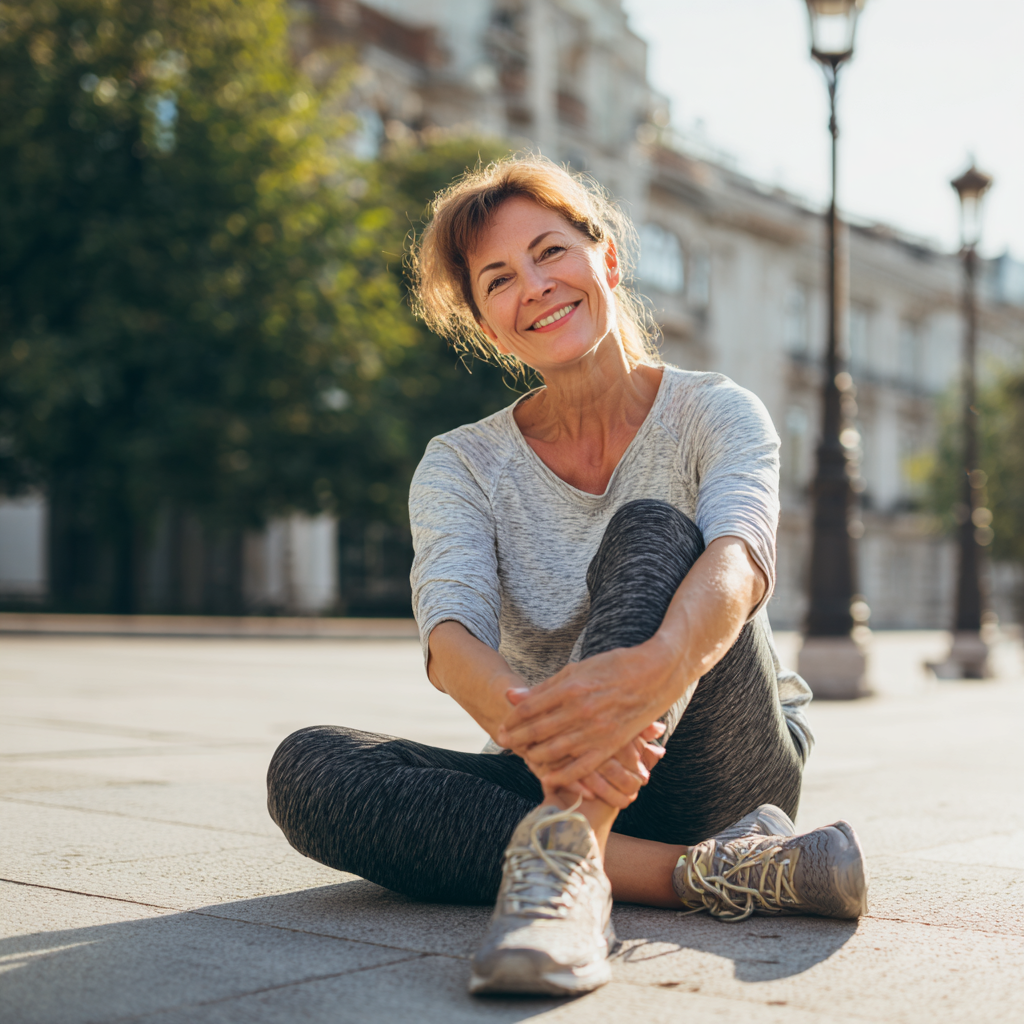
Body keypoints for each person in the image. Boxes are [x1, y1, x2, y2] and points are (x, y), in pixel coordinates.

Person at [267, 155, 868, 998]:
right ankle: (707, 874)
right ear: (487, 324)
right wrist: (557, 734)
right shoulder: (462, 464)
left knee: (654, 525)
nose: (536, 286)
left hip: (718, 757)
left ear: (608, 260)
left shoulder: (717, 410)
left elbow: (740, 562)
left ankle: (558, 894)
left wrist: (649, 675)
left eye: (551, 251)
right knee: (310, 770)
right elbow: (451, 639)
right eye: (500, 279)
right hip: (552, 752)